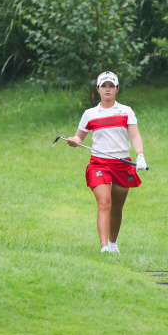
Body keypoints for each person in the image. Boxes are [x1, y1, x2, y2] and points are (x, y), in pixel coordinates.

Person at [66, 71, 148, 253]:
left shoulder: (126, 111)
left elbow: (134, 135)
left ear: (117, 89)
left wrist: (140, 155)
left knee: (117, 207)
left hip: (122, 163)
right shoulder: (90, 114)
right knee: (104, 202)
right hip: (100, 163)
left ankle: (112, 243)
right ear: (98, 89)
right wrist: (74, 141)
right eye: (104, 86)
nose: (108, 89)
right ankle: (104, 247)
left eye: (111, 86)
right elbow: (80, 137)